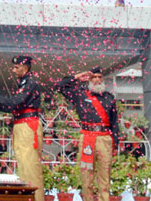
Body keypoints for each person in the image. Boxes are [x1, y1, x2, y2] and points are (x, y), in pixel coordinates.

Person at [55, 66, 119, 201]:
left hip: (104, 139)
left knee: (104, 175)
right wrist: (77, 76)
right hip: (87, 138)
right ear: (89, 79)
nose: (97, 80)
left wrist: (116, 144)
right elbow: (59, 86)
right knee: (86, 175)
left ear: (103, 79)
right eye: (93, 77)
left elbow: (114, 123)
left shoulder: (109, 98)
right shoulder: (80, 94)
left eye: (99, 77)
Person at [0, 55, 44, 201]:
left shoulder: (31, 83)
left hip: (27, 126)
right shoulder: (24, 83)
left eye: (16, 67)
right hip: (21, 125)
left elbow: (16, 102)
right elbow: (14, 107)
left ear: (25, 68)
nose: (13, 70)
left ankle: (36, 198)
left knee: (30, 168)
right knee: (24, 167)